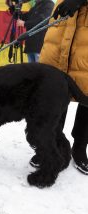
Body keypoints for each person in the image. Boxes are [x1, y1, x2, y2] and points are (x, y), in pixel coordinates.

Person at [32, 0, 88, 175]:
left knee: (87, 91)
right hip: (63, 23)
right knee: (54, 90)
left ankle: (79, 148)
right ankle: (52, 143)